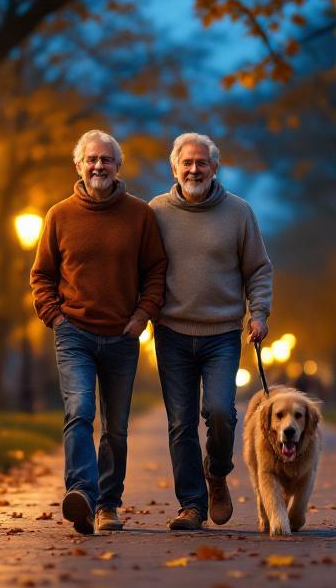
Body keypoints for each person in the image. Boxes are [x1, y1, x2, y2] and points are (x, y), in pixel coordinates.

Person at [30, 129, 168, 535]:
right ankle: (82, 497)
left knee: (116, 428)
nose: (98, 166)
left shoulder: (140, 214)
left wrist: (143, 315)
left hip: (123, 336)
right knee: (80, 411)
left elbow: (156, 270)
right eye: (91, 159)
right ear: (78, 165)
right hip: (74, 332)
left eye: (106, 159)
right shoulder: (59, 215)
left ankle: (108, 503)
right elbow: (41, 275)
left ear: (118, 166)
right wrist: (55, 315)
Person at [149, 132, 272, 531]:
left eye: (202, 163)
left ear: (215, 168)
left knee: (221, 412)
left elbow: (258, 269)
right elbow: (143, 268)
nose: (194, 169)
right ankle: (192, 505)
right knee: (181, 422)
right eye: (187, 162)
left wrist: (259, 314)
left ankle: (216, 473)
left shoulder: (239, 213)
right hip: (171, 332)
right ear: (174, 167)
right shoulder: (156, 212)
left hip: (221, 332)